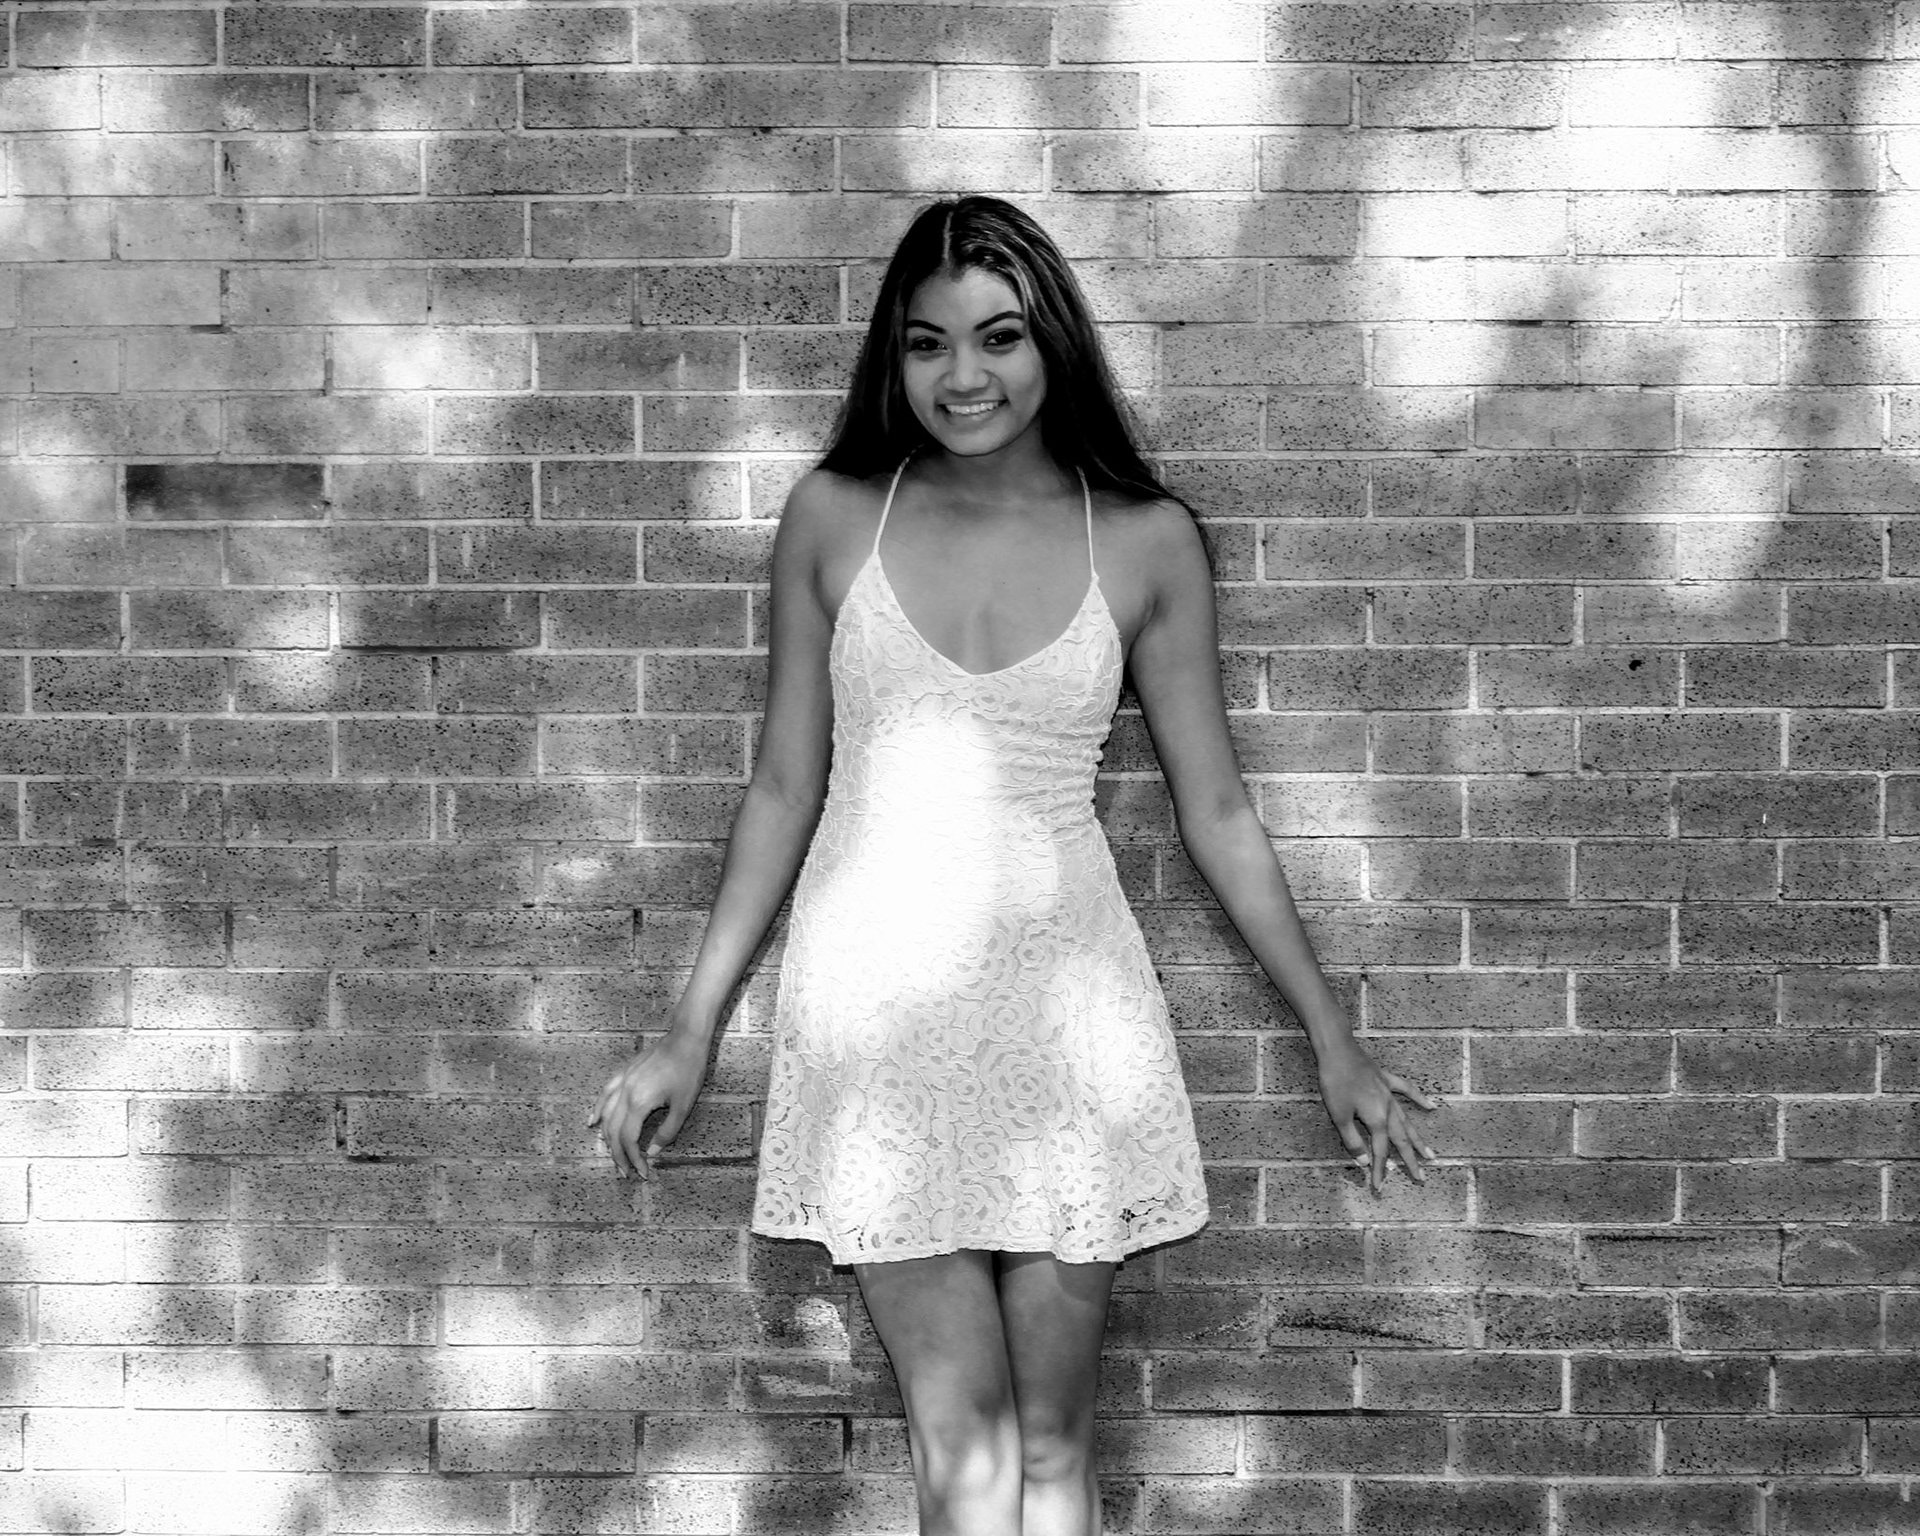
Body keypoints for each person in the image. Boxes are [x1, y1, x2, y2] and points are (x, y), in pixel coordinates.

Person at [591, 195, 1438, 1536]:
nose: (963, 375)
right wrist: (687, 1032)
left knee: (1049, 1449)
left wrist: (1331, 1038)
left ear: (1053, 345)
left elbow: (1219, 812)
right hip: (878, 1020)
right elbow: (783, 788)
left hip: (1070, 1024)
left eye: (999, 337)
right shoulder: (833, 518)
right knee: (966, 1454)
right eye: (928, 343)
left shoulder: (1145, 539)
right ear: (895, 358)